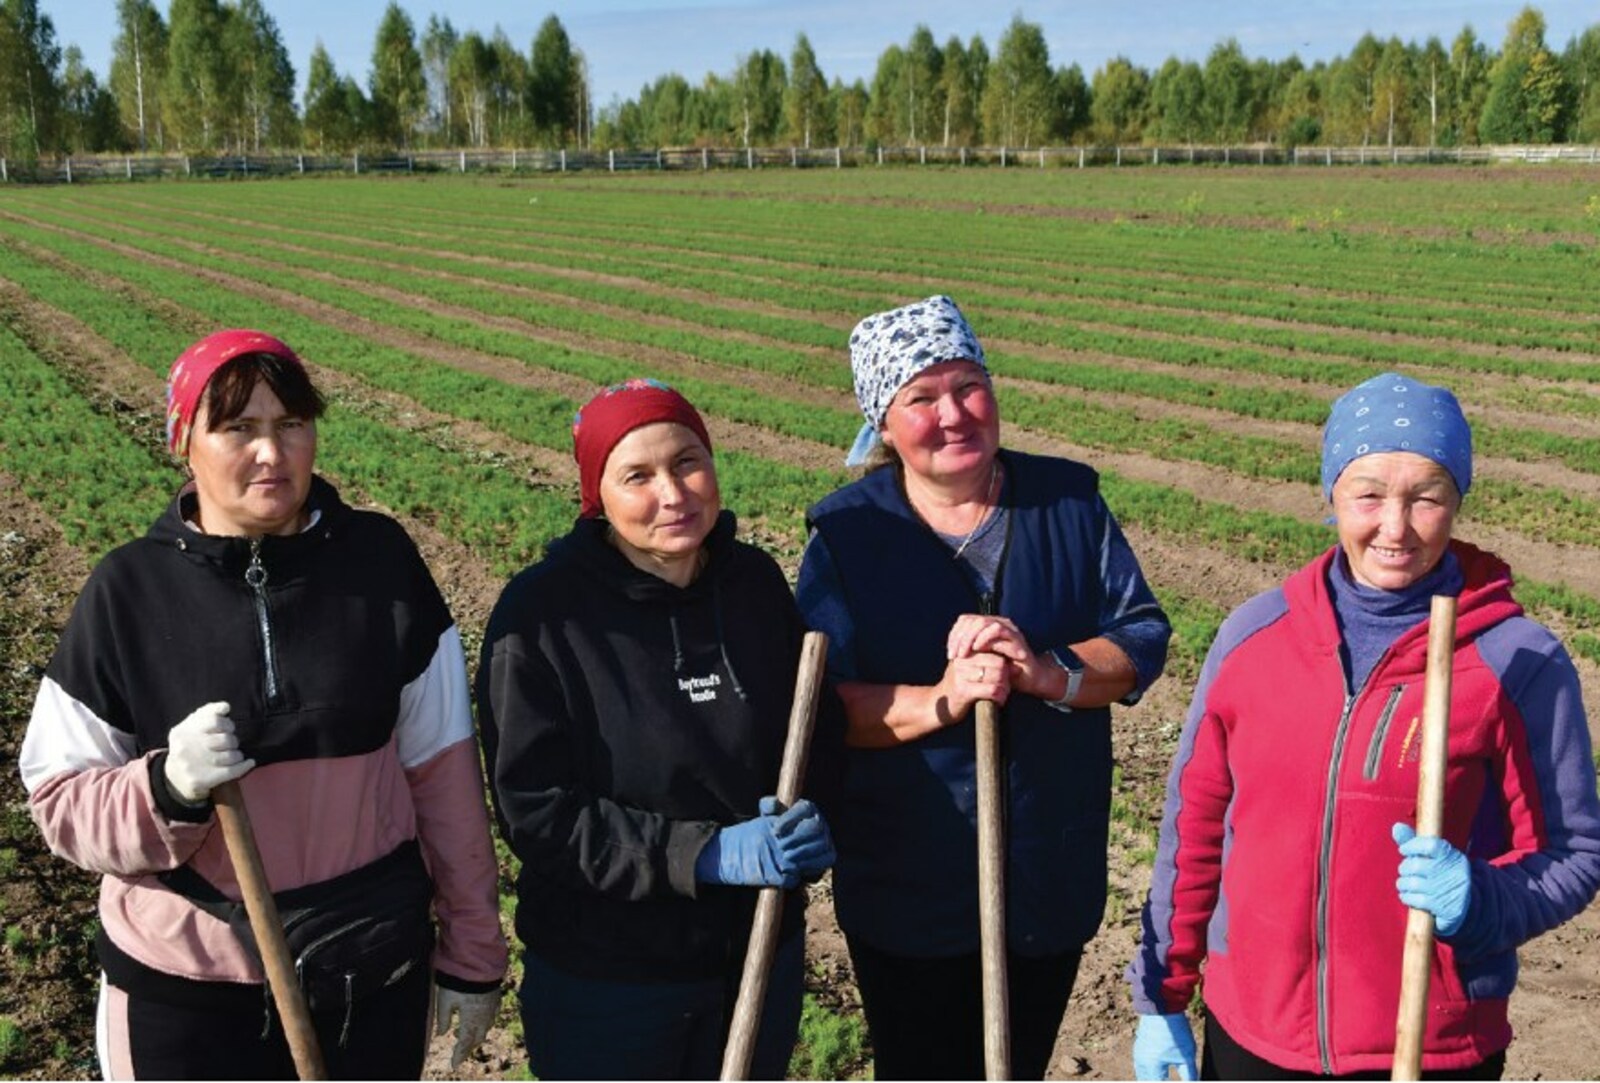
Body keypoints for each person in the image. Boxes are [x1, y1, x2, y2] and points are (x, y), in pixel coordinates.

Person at [18, 330, 508, 1080]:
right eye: (237, 428)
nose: (271, 454)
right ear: (185, 441)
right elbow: (59, 803)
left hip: (367, 971)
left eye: (290, 425)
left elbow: (442, 773)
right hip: (185, 991)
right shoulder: (128, 595)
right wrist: (166, 789)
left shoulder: (381, 567)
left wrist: (473, 951)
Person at [1127, 372, 1600, 1080]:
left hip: (1429, 1045)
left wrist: (1480, 901)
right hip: (1253, 1035)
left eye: (1427, 496)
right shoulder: (1254, 638)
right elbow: (1195, 825)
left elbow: (1575, 851)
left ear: (1458, 500)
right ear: (1332, 493)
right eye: (1369, 492)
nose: (1396, 526)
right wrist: (1161, 995)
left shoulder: (1517, 660)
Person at [795, 295, 1172, 1080]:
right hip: (909, 886)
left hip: (1044, 878)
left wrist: (1046, 671)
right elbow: (822, 705)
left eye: (968, 386)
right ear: (884, 422)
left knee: (1017, 1063)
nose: (953, 414)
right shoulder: (850, 536)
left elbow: (1140, 637)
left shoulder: (1067, 505)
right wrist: (941, 697)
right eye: (921, 398)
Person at [477, 378, 838, 1081]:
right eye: (637, 474)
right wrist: (701, 854)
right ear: (597, 494)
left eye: (687, 461)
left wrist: (815, 818)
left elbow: (816, 733)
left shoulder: (755, 586)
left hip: (757, 955)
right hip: (609, 980)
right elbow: (537, 812)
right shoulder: (545, 617)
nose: (673, 493)